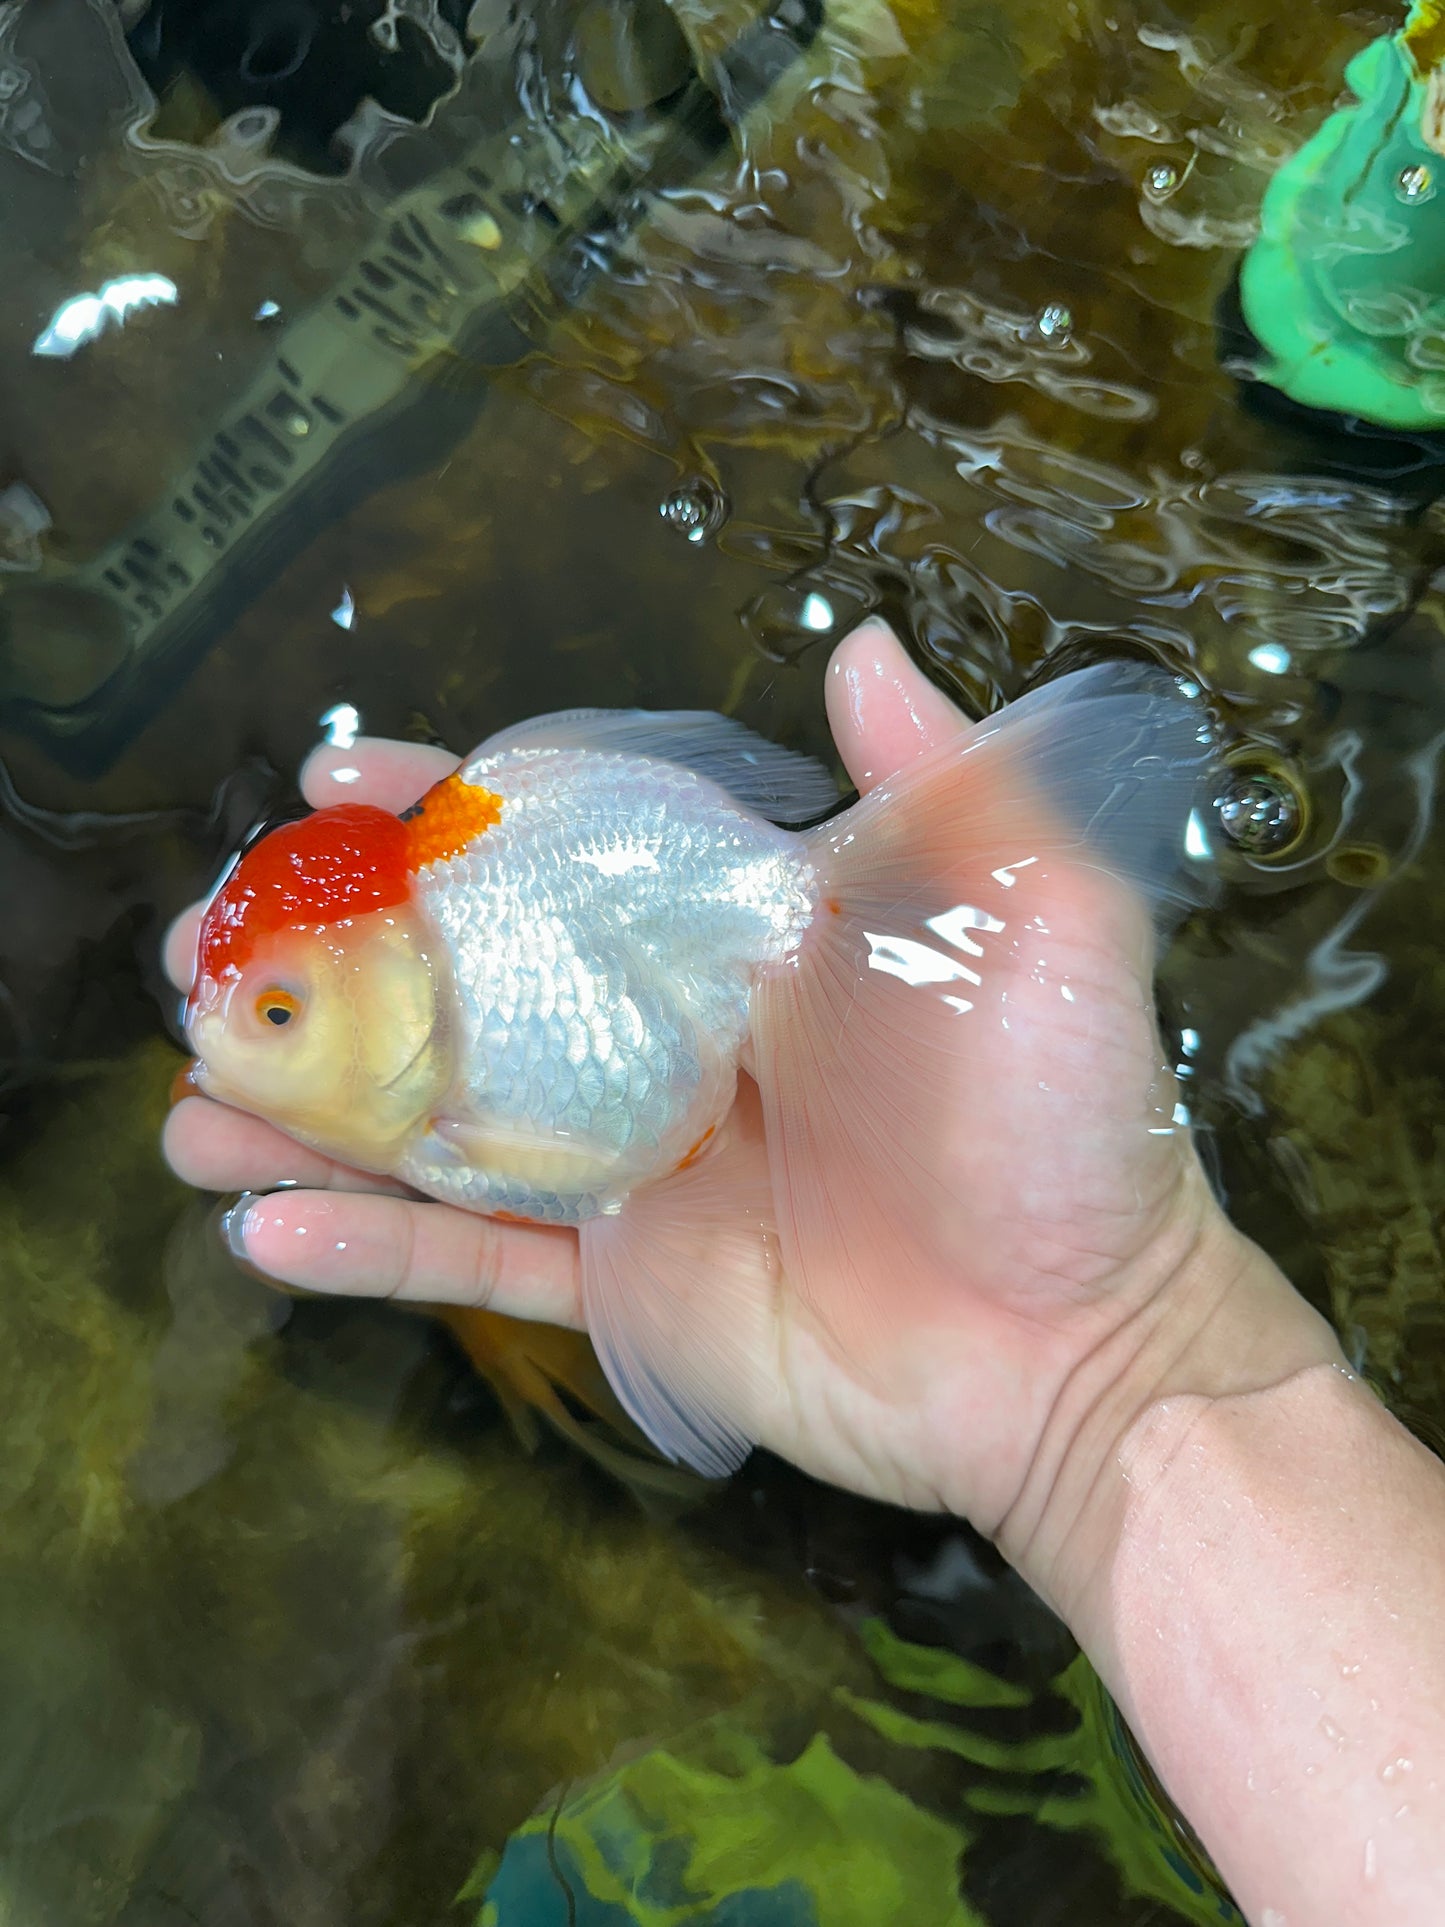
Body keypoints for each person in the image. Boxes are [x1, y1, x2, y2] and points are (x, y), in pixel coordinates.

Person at [163, 622, 1445, 1925]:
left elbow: (593, 1150)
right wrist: (1112, 1386)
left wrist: (1113, 1370)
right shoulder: (438, 1064)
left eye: (276, 1017)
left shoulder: (462, 1064)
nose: (241, 1042)